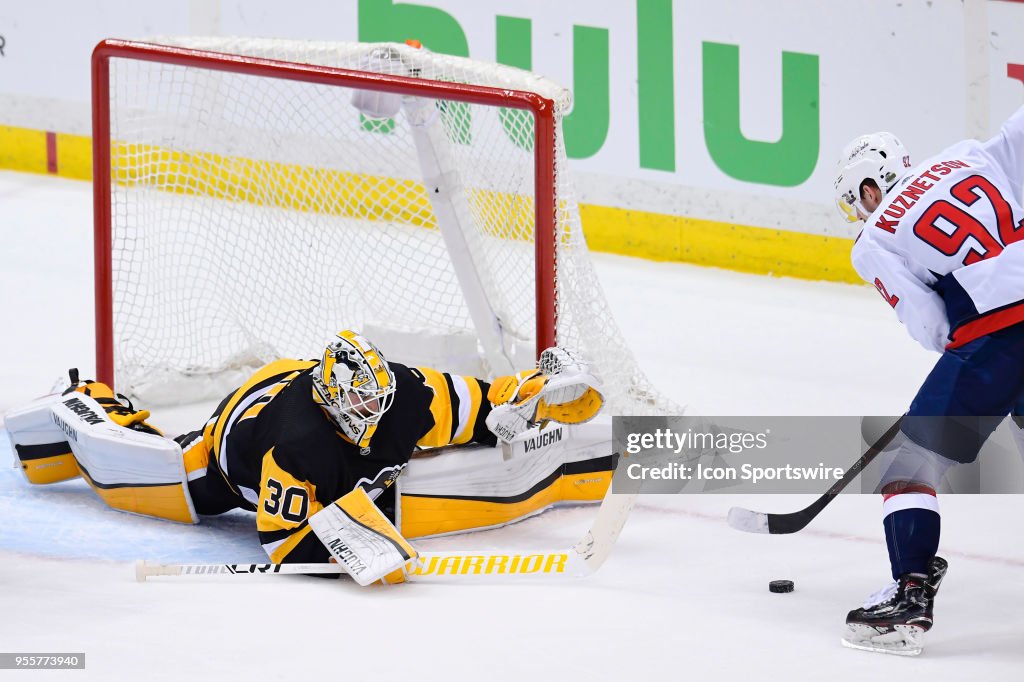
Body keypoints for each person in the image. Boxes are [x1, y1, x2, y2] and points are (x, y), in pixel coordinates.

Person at [7, 330, 604, 583]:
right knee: (129, 473)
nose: (374, 414)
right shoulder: (294, 448)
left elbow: (474, 403)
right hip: (227, 448)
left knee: (404, 484)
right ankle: (80, 404)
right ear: (331, 401)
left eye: (379, 400)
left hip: (296, 395)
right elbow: (282, 539)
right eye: (360, 405)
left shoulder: (406, 393)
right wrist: (357, 549)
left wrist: (520, 402)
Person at [832, 103, 1024, 654]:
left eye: (857, 202)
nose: (862, 213)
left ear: (869, 188)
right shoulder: (967, 156)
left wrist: (971, 367)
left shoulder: (875, 239)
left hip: (995, 337)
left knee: (909, 466)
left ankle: (909, 596)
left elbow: (929, 322)